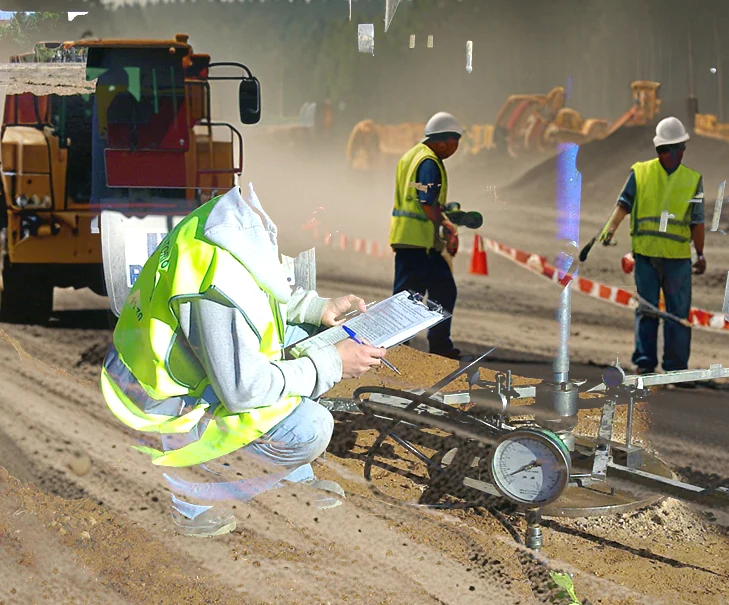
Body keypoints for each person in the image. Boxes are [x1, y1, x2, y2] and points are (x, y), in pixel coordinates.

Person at [100, 183, 387, 537]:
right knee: (311, 428)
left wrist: (317, 308)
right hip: (156, 404)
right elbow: (243, 389)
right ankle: (186, 491)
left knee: (314, 338)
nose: (327, 239)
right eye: (331, 227)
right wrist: (330, 364)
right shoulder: (220, 277)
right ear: (311, 212)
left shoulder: (236, 219)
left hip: (181, 371)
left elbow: (260, 293)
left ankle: (280, 474)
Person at [597, 116, 706, 383]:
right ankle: (656, 366)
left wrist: (700, 253)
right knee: (657, 312)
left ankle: (667, 367)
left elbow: (696, 222)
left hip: (672, 259)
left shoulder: (690, 180)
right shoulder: (643, 172)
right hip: (652, 257)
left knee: (672, 315)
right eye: (673, 148)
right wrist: (609, 229)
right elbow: (624, 204)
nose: (675, 153)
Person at [389, 112, 463, 359]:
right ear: (443, 140)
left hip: (408, 240)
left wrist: (444, 209)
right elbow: (426, 203)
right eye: (455, 143)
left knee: (408, 297)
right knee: (442, 291)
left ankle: (399, 346)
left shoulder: (411, 156)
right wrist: (447, 226)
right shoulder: (429, 161)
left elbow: (416, 197)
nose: (454, 149)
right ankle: (437, 345)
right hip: (420, 243)